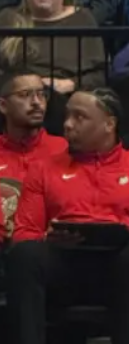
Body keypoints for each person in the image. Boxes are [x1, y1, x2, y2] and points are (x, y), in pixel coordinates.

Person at [7, 87, 129, 344]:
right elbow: (22, 235)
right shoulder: (42, 170)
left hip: (119, 272)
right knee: (25, 254)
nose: (67, 124)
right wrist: (47, 239)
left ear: (109, 124)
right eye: (67, 116)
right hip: (62, 271)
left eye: (79, 117)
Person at [0, 0, 106, 101]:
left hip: (68, 97)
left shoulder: (83, 18)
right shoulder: (8, 18)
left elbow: (99, 74)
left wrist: (70, 84)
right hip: (17, 99)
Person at [0, 68, 67, 242]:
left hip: (50, 248)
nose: (37, 102)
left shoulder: (65, 149)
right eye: (25, 95)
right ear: (3, 106)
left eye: (41, 94)